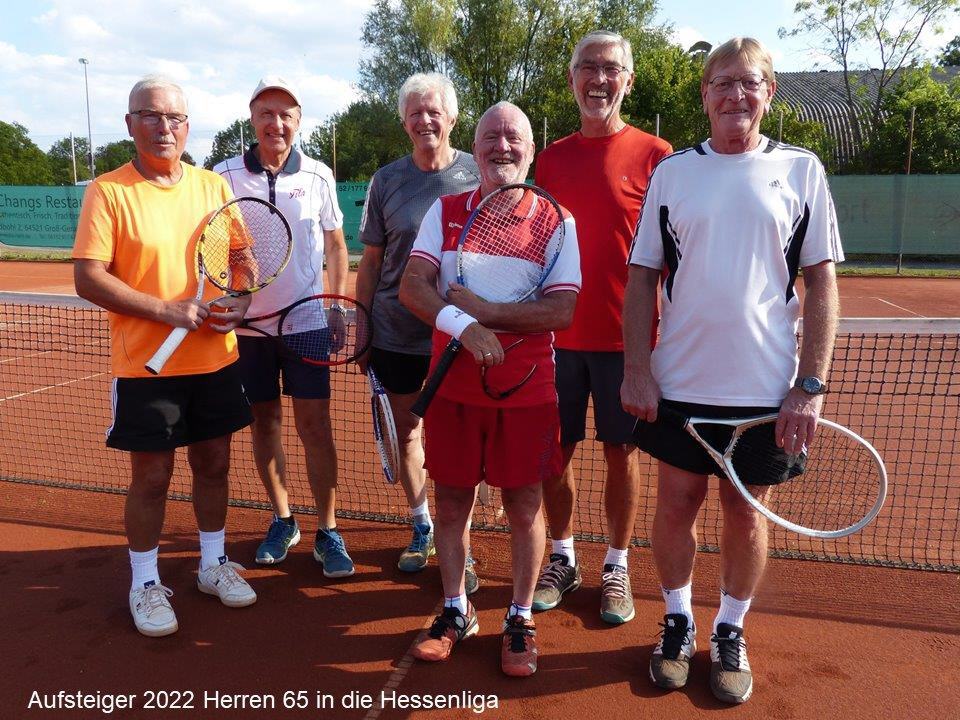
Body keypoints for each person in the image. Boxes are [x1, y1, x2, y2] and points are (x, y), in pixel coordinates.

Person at [621, 37, 843, 704]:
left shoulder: (802, 170)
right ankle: (678, 620)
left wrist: (808, 385)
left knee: (747, 517)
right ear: (705, 95)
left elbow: (822, 284)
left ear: (769, 92)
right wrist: (638, 369)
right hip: (680, 384)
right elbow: (641, 277)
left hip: (766, 392)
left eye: (749, 82)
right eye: (722, 82)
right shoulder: (673, 173)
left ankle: (729, 629)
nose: (735, 95)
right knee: (676, 507)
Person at [399, 102, 581, 677]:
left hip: (528, 392)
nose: (502, 146)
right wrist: (466, 327)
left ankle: (520, 617)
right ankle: (457, 609)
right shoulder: (445, 210)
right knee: (452, 503)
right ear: (474, 149)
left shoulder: (557, 221)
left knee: (524, 505)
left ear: (531, 150)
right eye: (491, 137)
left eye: (513, 137)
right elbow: (413, 286)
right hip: (453, 391)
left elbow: (562, 309)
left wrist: (487, 313)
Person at [73, 76, 257, 638]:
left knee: (215, 466)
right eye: (150, 116)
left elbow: (242, 257)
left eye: (174, 117)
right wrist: (165, 310)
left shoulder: (212, 187)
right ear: (130, 124)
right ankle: (146, 582)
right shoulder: (108, 192)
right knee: (152, 478)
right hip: (146, 369)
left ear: (187, 125)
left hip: (216, 361)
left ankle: (212, 564)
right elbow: (88, 277)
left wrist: (242, 297)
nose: (164, 127)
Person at [532, 29, 672, 625]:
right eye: (587, 67)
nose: (598, 78)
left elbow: (672, 254)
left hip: (627, 343)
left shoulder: (657, 155)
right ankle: (563, 556)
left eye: (610, 68)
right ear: (572, 79)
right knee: (554, 453)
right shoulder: (549, 160)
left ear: (628, 81)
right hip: (556, 339)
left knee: (622, 452)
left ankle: (616, 563)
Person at [213, 77, 354, 577]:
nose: (276, 123)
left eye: (286, 114)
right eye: (267, 113)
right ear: (253, 118)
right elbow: (217, 245)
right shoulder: (223, 175)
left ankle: (328, 530)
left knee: (316, 427)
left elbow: (336, 245)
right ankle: (283, 518)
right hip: (248, 330)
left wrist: (338, 305)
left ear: (298, 121)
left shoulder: (318, 175)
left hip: (307, 323)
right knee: (264, 423)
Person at [355, 72, 482, 589]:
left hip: (459, 336)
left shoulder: (478, 173)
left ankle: (460, 544)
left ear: (452, 118)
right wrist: (362, 326)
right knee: (407, 434)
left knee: (457, 440)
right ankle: (422, 524)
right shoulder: (386, 181)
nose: (425, 120)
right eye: (415, 112)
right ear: (404, 121)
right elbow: (371, 262)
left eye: (434, 111)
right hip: (395, 332)